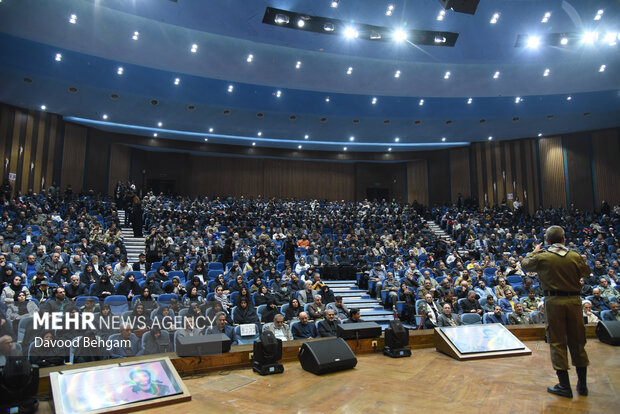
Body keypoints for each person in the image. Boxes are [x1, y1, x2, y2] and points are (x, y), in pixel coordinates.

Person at [521, 225, 590, 398]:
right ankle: (582, 385)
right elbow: (586, 272)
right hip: (575, 301)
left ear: (547, 241)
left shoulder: (543, 257)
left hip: (554, 302)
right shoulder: (575, 255)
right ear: (564, 239)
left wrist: (535, 251)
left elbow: (525, 265)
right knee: (578, 341)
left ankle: (564, 386)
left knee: (557, 341)